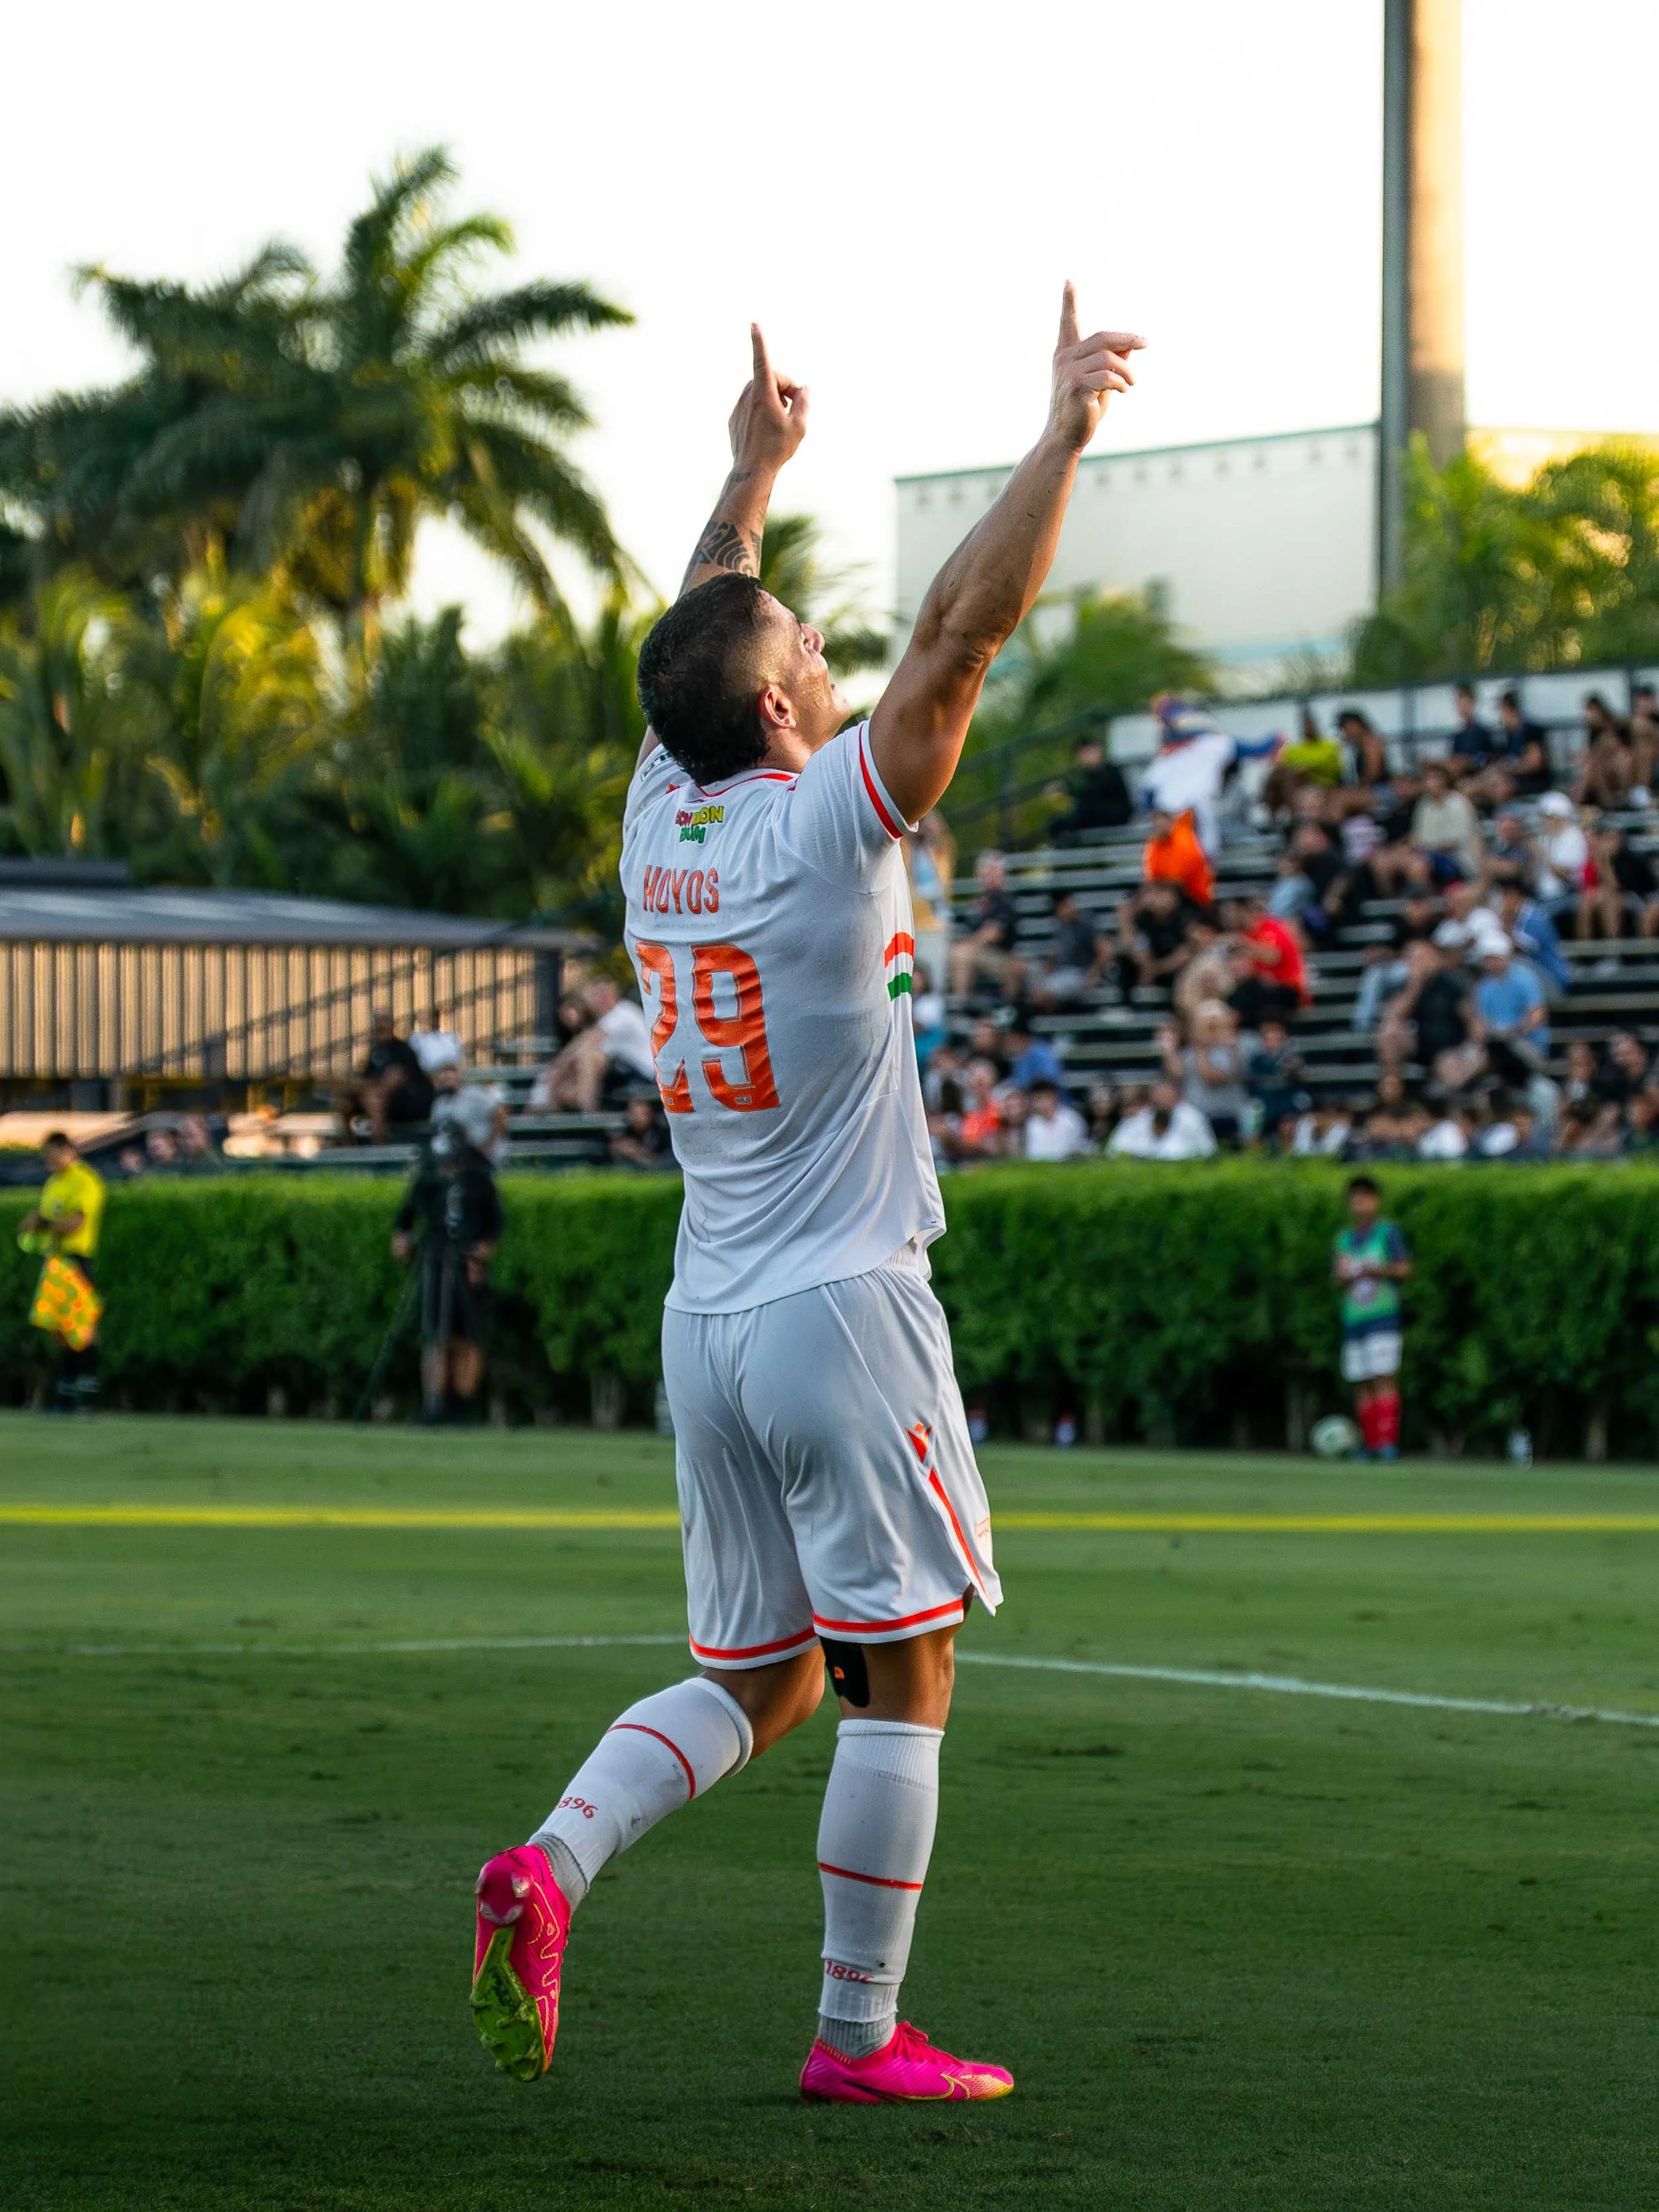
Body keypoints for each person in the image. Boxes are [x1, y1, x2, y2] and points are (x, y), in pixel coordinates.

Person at [470, 297, 1146, 2103]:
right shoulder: (817, 818)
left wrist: (749, 478)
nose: (834, 658)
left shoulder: (658, 809)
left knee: (767, 1680)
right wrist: (1061, 436)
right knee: (900, 1666)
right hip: (845, 1301)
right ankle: (858, 2037)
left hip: (707, 1313)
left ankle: (547, 1862)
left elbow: (698, 632)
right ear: (782, 707)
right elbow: (957, 634)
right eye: (805, 652)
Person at [392, 1123, 502, 1426]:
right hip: (434, 1261)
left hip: (467, 1264)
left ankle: (464, 1406)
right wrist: (402, 1238)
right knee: (434, 1335)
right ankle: (433, 1403)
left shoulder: (480, 1177)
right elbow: (406, 1215)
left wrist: (481, 1253)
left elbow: (495, 1224)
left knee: (469, 1336)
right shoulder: (428, 1177)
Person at [19, 1131, 107, 1413]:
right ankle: (67, 1391)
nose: (50, 1161)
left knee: (82, 1327)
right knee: (58, 1328)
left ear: (67, 1150)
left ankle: (88, 1391)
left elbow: (76, 1223)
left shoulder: (86, 1180)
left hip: (76, 1260)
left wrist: (42, 1223)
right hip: (55, 1261)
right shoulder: (53, 1183)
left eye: (52, 1155)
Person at [1141, 696, 1282, 857]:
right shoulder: (1214, 743)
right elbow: (1261, 749)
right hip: (1191, 816)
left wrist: (1156, 816)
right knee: (1197, 863)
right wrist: (1277, 738)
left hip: (1172, 818)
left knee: (1180, 866)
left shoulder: (1167, 757)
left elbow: (1147, 796)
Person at [1333, 1175, 1412, 1460]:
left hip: (1383, 1315)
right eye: (1355, 1198)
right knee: (1361, 1379)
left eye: (1365, 1197)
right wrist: (1343, 1276)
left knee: (1383, 1376)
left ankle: (1386, 1443)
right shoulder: (1344, 1238)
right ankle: (1367, 1443)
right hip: (1354, 1318)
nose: (1359, 1203)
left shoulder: (1387, 1233)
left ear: (1376, 1200)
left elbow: (1404, 1269)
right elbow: (1339, 1276)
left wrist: (1377, 1271)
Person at [529, 977, 656, 1114]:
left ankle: (588, 1111)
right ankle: (554, 1104)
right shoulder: (606, 1019)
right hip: (625, 1072)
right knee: (575, 1073)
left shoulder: (622, 1013)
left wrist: (556, 1068)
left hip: (643, 1073)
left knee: (588, 1057)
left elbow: (586, 1043)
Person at [336, 1010, 435, 1144]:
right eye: (378, 1026)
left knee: (373, 1098)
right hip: (380, 1098)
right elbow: (365, 1078)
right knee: (344, 1102)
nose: (380, 1030)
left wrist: (368, 1088)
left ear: (391, 1026)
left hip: (407, 1101)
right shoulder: (376, 1051)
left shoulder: (402, 1050)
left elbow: (394, 1079)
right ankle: (348, 1143)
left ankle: (379, 1145)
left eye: (383, 1025)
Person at [948, 849, 1023, 999]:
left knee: (961, 955)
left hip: (1002, 956)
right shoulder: (980, 901)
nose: (988, 874)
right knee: (956, 953)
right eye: (986, 870)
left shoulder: (1004, 900)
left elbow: (993, 933)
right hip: (981, 953)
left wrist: (968, 945)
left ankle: (960, 1006)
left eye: (993, 870)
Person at [1030, 888, 1108, 1007]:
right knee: (1028, 975)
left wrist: (1092, 976)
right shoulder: (1062, 925)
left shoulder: (1084, 922)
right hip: (1063, 973)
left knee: (1040, 994)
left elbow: (1107, 952)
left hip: (1080, 974)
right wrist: (1049, 964)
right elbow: (1058, 953)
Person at [1106, 1077, 1217, 1160]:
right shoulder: (1138, 1118)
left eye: (1166, 1094)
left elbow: (1208, 1151)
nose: (1162, 1098)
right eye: (1159, 1093)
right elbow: (1115, 1149)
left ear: (1176, 1095)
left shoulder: (1193, 1118)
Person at [1410, 759, 1483, 881]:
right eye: (1428, 779)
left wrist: (1427, 845)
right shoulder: (1424, 804)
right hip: (1428, 853)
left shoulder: (1458, 802)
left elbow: (1456, 841)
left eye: (1434, 778)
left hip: (1457, 858)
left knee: (1419, 865)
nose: (1430, 783)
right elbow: (1417, 836)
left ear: (1444, 780)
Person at [1048, 733, 1131, 842]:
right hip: (1092, 816)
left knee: (1085, 806)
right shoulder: (1083, 775)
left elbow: (1098, 792)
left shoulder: (1111, 771)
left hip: (1115, 815)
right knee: (1056, 824)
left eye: (1089, 752)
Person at [431, 1062, 508, 1167]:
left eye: (449, 1077)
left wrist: (488, 1146)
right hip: (456, 1151)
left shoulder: (475, 1095)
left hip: (484, 1150)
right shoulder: (440, 1103)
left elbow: (500, 1115)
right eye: (443, 1078)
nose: (446, 1081)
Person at [1023, 1076, 1091, 1161]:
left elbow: (1081, 1150)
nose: (1041, 1103)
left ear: (1055, 1097)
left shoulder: (1072, 1120)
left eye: (1045, 1098)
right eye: (1037, 1099)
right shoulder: (1032, 1124)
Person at [610, 1088, 676, 1169]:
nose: (640, 1119)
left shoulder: (663, 1134)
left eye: (643, 1114)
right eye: (635, 1115)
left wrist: (639, 1153)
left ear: (651, 1113)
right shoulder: (625, 1133)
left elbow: (666, 1162)